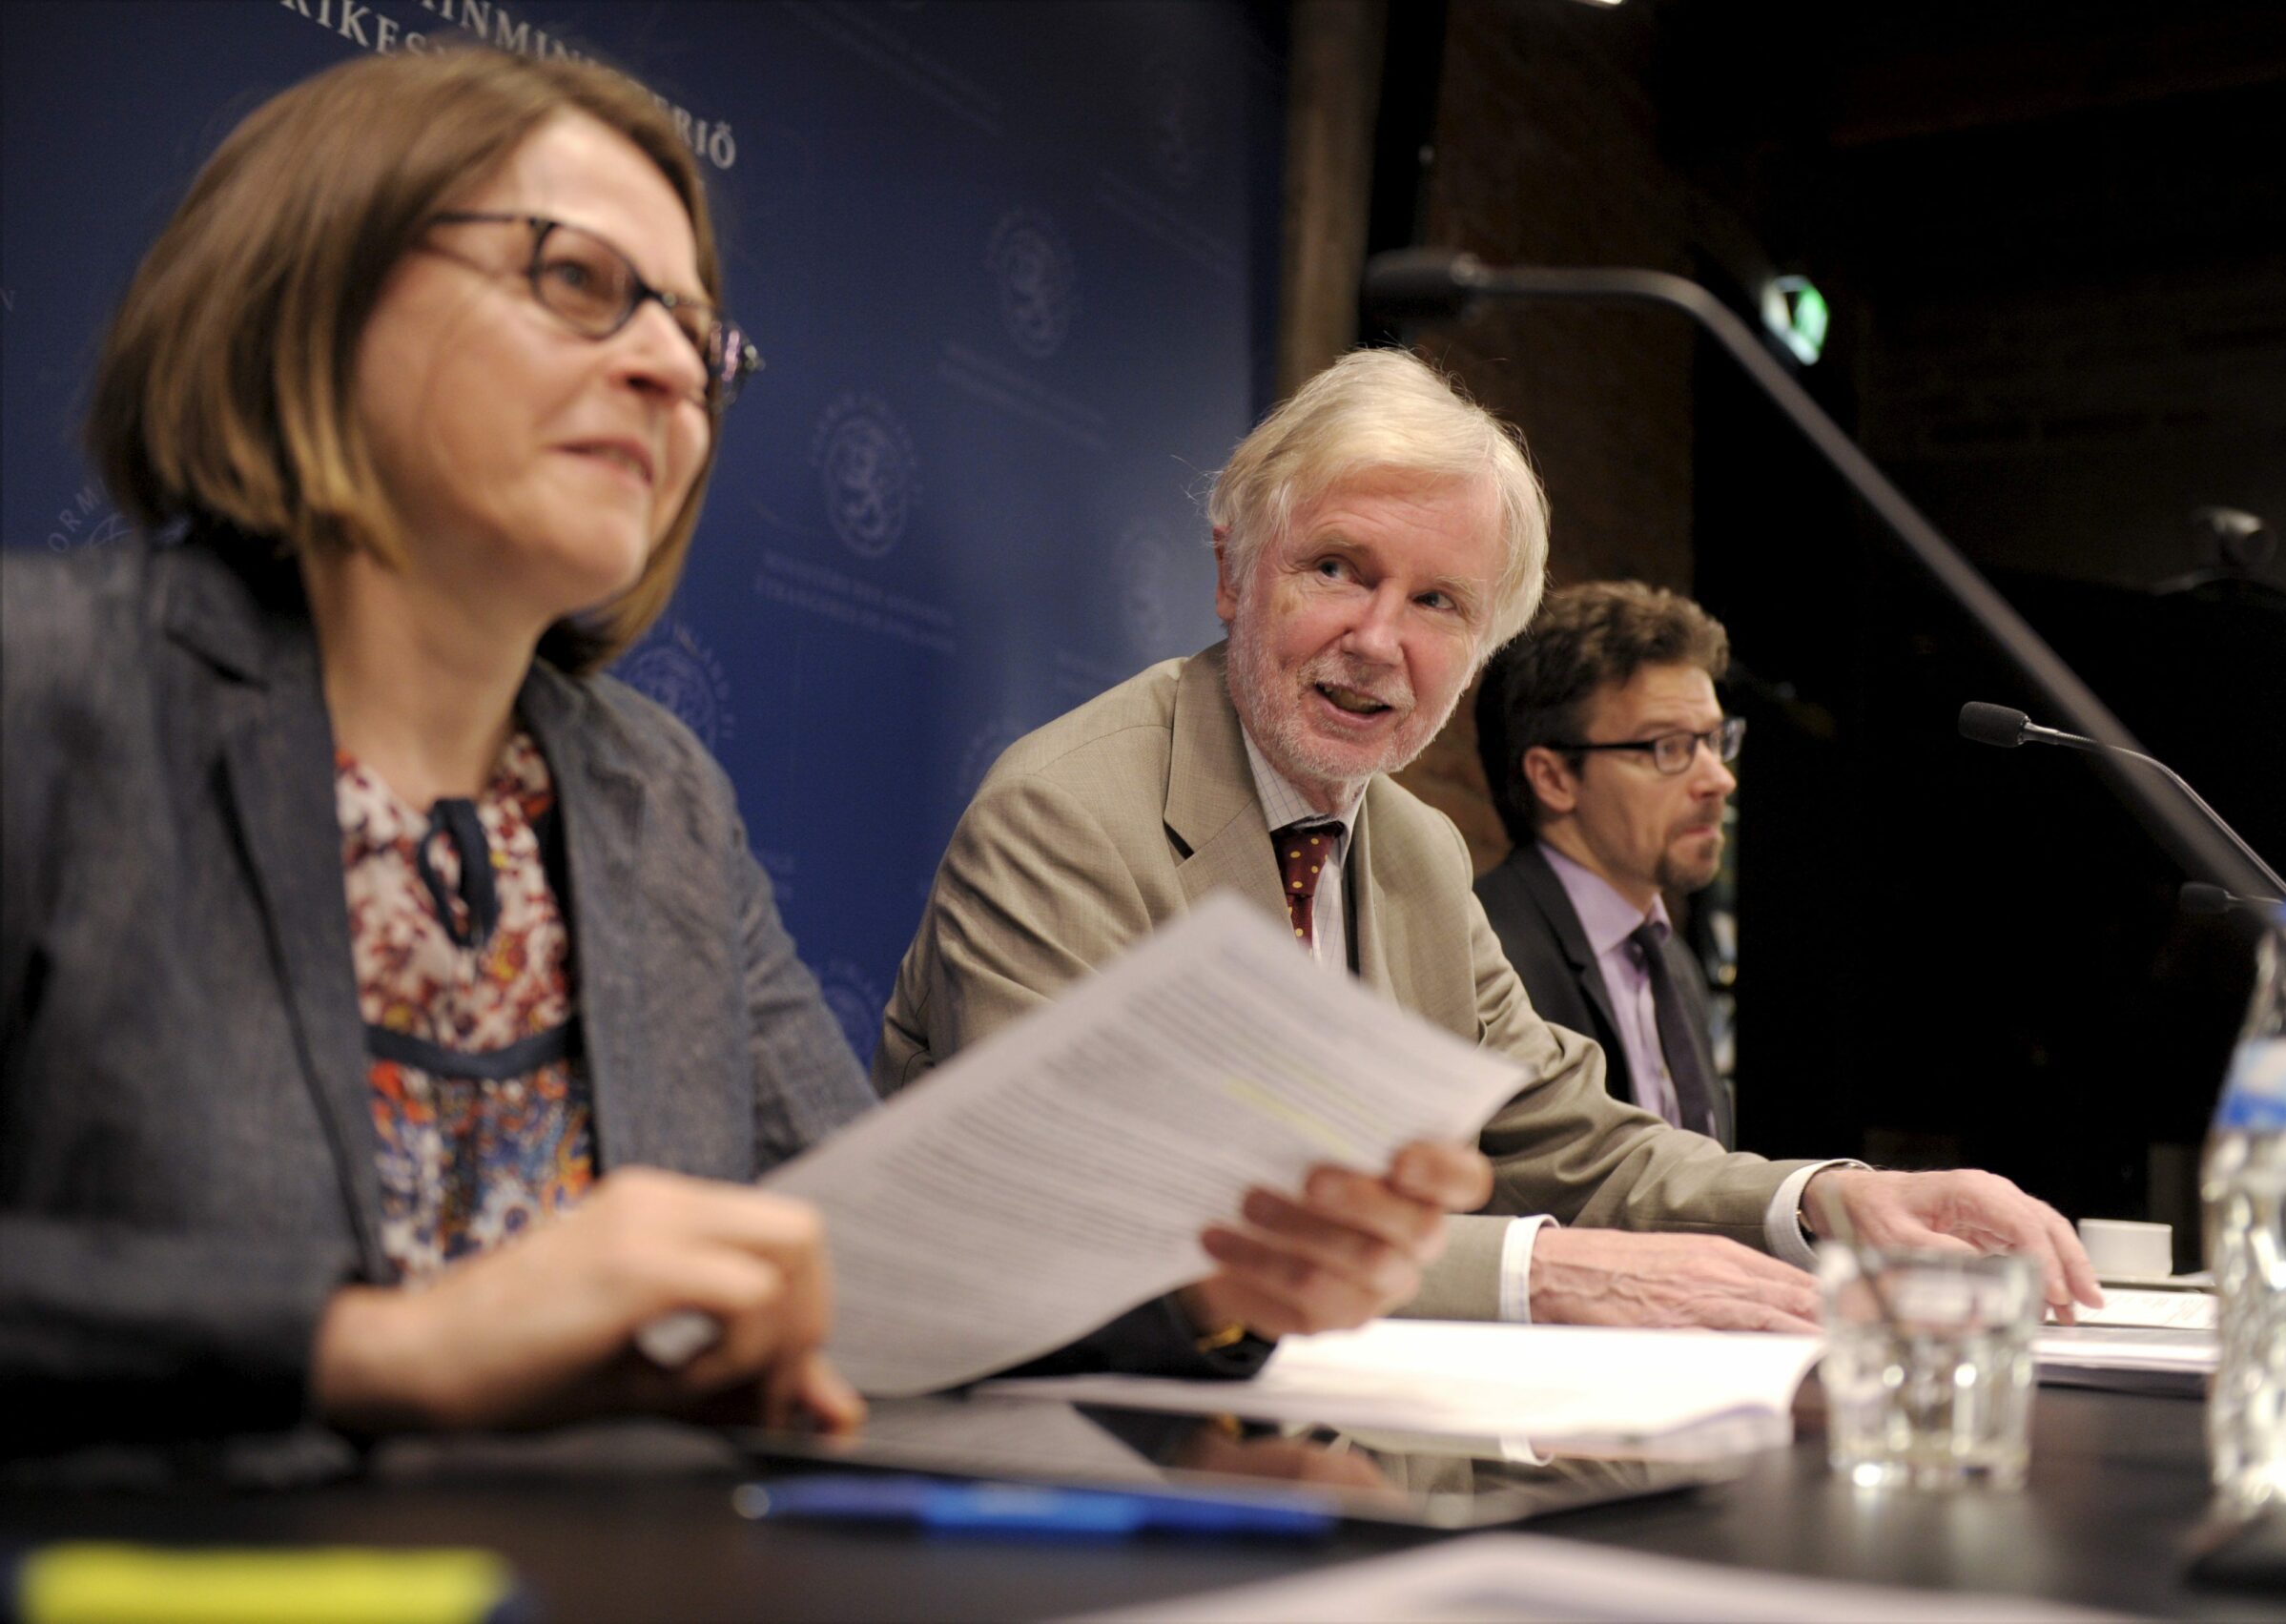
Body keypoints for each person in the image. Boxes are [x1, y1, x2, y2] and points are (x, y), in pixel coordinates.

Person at [0, 48, 1480, 1472]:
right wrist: (375, 1346)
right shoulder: (49, 687)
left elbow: (872, 1261)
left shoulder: (653, 796)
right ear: (313, 289)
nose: (668, 366)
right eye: (579, 283)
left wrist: (1210, 1277)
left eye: (697, 335)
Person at [877, 348, 2104, 1335]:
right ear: (1232, 573)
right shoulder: (1068, 814)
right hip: (1096, 1457)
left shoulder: (1413, 847)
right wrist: (1543, 1272)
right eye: (1336, 568)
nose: (1376, 640)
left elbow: (1569, 1137)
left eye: (1436, 602)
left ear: (1476, 650)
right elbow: (1094, 1212)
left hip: (1361, 1441)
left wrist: (1833, 1196)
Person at [1473, 582, 1740, 1147]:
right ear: (1554, 778)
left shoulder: (1673, 961)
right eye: (1669, 747)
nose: (1719, 779)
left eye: (1715, 740)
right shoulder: (1483, 954)